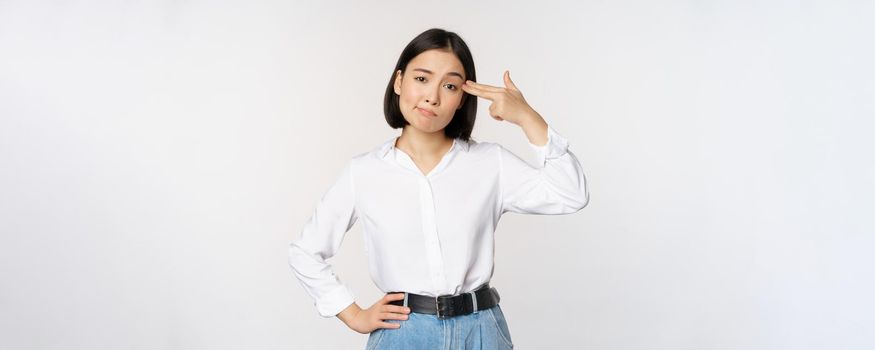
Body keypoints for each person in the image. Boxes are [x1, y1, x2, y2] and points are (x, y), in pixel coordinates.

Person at [288, 27, 589, 349]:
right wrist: (352, 314)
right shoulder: (364, 172)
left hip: (482, 332)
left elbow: (570, 194)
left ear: (462, 99)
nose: (433, 96)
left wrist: (528, 118)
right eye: (421, 79)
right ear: (399, 81)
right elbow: (305, 251)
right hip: (404, 333)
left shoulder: (490, 163)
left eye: (450, 86)